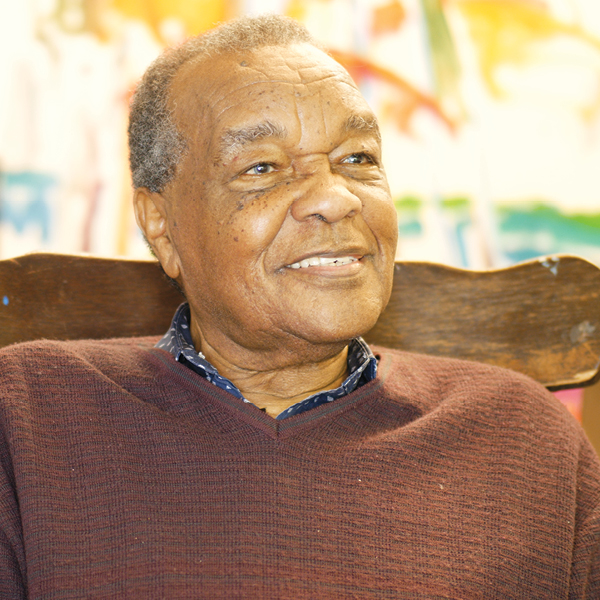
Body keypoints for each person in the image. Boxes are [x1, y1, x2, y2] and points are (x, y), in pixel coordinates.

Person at [0, 14, 598, 599]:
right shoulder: (28, 418)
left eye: (358, 159)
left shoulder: (524, 440)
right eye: (262, 168)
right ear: (161, 225)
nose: (335, 199)